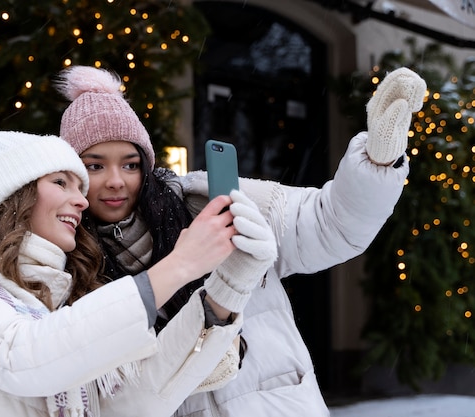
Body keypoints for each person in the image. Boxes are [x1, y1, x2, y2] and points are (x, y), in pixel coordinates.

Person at [54, 65, 427, 416]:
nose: (116, 180)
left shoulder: (209, 203)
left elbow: (331, 222)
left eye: (130, 164)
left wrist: (377, 162)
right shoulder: (65, 261)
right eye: (95, 165)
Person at [0, 130, 277, 417]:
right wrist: (180, 265)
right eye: (62, 182)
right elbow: (19, 357)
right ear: (14, 193)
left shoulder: (67, 305)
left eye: (80, 187)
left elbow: (129, 403)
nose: (82, 200)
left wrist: (230, 284)